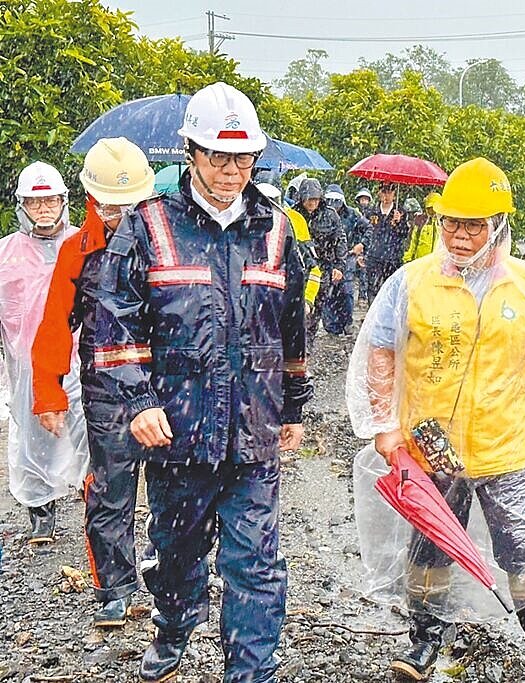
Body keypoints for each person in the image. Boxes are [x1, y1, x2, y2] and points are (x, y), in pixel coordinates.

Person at [346, 157, 525, 683]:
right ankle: (423, 642)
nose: (460, 236)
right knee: (430, 545)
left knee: (524, 549)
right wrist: (385, 425)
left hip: (505, 449)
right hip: (430, 449)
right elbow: (380, 351)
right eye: (451, 223)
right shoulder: (411, 283)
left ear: (498, 227)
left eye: (474, 225)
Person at [91, 82, 312, 682]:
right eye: (218, 155)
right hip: (177, 436)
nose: (231, 170)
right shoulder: (148, 226)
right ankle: (174, 625)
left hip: (253, 437)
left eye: (243, 157)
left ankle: (251, 672)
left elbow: (291, 326)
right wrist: (136, 400)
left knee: (255, 567)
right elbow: (111, 320)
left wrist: (292, 404)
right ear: (190, 151)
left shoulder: (276, 229)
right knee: (177, 558)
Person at [31, 138, 155, 627]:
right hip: (105, 389)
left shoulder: (166, 244)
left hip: (166, 386)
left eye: (127, 204)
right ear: (88, 197)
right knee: (110, 490)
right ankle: (114, 589)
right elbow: (54, 323)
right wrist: (48, 393)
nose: (116, 213)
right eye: (107, 203)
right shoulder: (76, 250)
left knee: (174, 490)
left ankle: (168, 579)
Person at [0, 161, 90, 545]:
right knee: (33, 434)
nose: (44, 209)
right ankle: (41, 511)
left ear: (63, 201)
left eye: (50, 200)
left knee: (89, 430)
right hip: (27, 365)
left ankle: (96, 505)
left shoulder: (84, 244)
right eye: (35, 203)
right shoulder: (6, 253)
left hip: (82, 359)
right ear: (22, 206)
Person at [295, 178, 349, 339]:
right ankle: (297, 337)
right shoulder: (294, 214)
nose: (312, 203)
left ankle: (308, 340)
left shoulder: (330, 215)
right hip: (299, 266)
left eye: (315, 199)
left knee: (316, 305)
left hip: (323, 267)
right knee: (297, 304)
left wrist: (339, 266)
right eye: (308, 199)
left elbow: (340, 240)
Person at [256, 182, 321, 315]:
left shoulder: (295, 221)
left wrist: (307, 300)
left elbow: (312, 268)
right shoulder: (237, 226)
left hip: (285, 303)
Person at [324, 185, 370, 332]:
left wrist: (361, 245)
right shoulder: (322, 214)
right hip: (328, 257)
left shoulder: (352, 214)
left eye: (336, 202)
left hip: (348, 256)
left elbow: (369, 228)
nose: (334, 205)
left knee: (347, 290)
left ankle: (347, 322)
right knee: (329, 291)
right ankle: (332, 327)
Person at [364, 183, 408, 300]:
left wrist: (399, 223)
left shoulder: (400, 212)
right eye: (384, 191)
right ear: (379, 192)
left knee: (392, 289)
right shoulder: (372, 211)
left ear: (394, 194)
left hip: (392, 258)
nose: (386, 195)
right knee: (373, 288)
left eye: (390, 192)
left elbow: (404, 234)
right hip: (374, 256)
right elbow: (366, 232)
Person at [401, 196, 439, 263]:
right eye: (430, 208)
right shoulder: (420, 221)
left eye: (434, 208)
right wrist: (407, 260)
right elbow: (412, 242)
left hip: (437, 264)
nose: (433, 211)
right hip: (419, 263)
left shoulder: (444, 223)